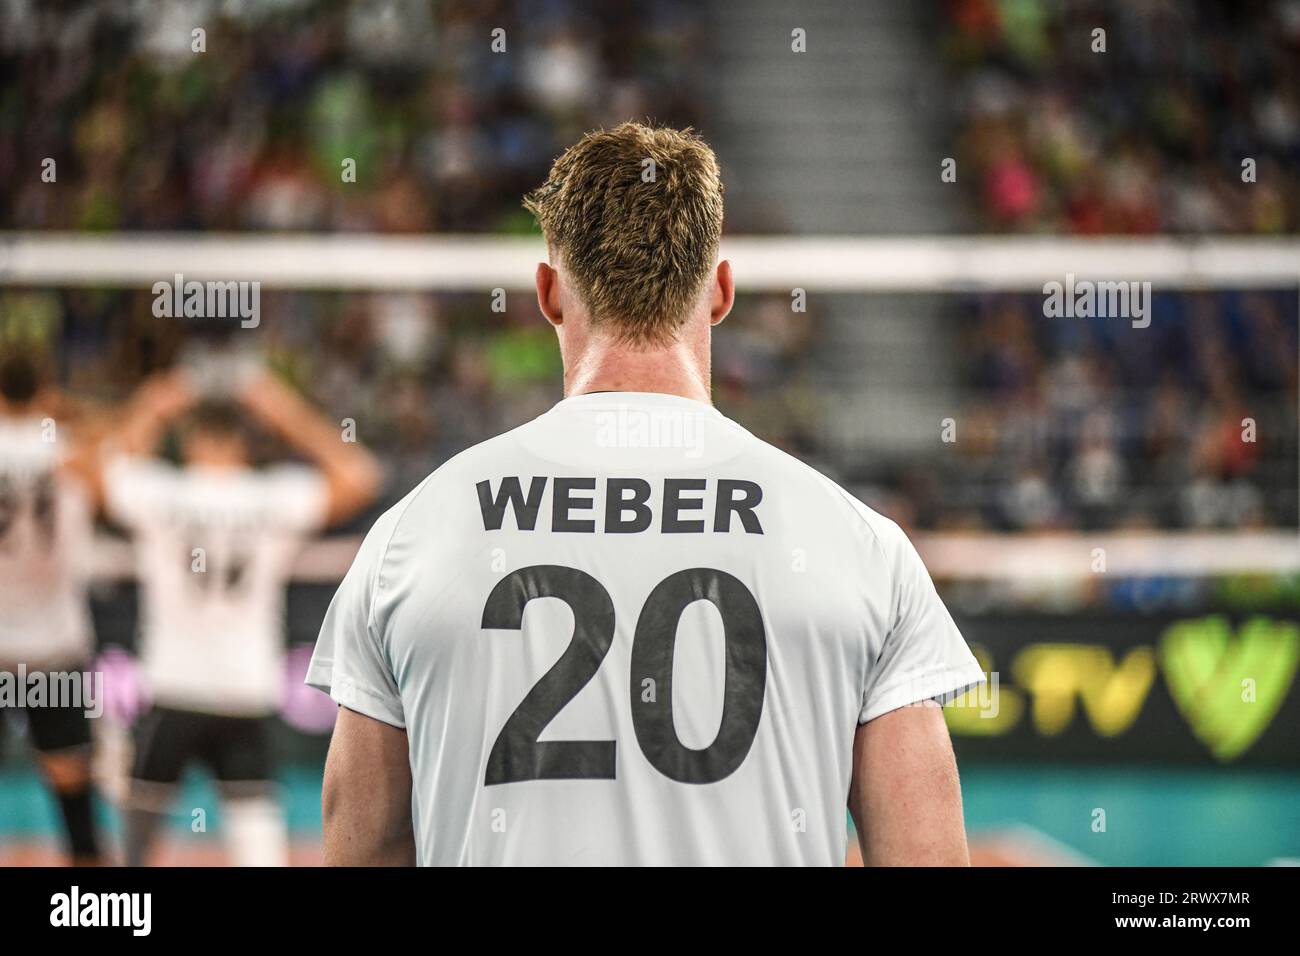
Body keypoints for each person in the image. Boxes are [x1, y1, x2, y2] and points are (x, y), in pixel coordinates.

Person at [311, 122, 985, 866]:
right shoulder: (861, 547)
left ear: (548, 294)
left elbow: (360, 850)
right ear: (722, 292)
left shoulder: (413, 536)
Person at [104, 366, 380, 866]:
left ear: (191, 440)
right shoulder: (270, 496)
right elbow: (361, 475)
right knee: (257, 838)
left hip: (173, 684)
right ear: (244, 444)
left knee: (138, 830)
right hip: (243, 687)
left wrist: (152, 404)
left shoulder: (161, 491)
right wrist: (283, 409)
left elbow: (90, 470)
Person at [0, 347, 105, 865]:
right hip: (54, 645)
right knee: (74, 800)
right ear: (43, 389)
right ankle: (95, 912)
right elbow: (111, 459)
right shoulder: (72, 451)